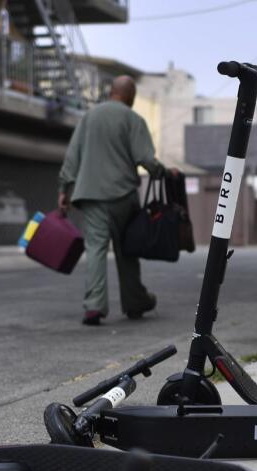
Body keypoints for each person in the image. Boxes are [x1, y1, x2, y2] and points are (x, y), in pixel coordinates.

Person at [58, 75, 167, 326]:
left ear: (111, 92)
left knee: (95, 249)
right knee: (126, 250)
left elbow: (72, 156)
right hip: (122, 196)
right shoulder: (133, 119)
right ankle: (135, 302)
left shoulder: (89, 117)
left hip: (92, 195)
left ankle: (94, 306)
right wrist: (161, 172)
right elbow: (145, 158)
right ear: (130, 96)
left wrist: (64, 188)